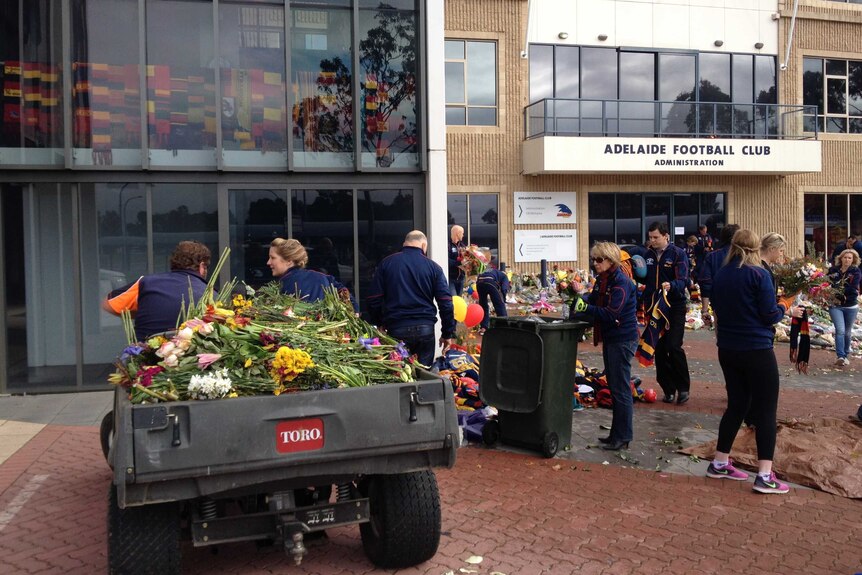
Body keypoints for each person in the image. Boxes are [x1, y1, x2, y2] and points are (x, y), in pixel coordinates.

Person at [707, 229, 802, 494]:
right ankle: (764, 475)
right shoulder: (758, 274)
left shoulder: (722, 274)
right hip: (756, 348)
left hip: (727, 347)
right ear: (755, 249)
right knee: (766, 410)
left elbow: (718, 307)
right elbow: (769, 315)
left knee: (737, 405)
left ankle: (720, 461)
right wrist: (786, 306)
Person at [571, 242, 638, 451]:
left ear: (611, 260)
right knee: (615, 386)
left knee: (620, 389)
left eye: (599, 260)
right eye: (593, 259)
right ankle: (615, 434)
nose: (595, 263)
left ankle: (623, 436)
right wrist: (576, 302)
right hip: (612, 338)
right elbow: (592, 301)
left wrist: (587, 307)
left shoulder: (621, 282)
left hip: (622, 339)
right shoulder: (603, 280)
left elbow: (611, 313)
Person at [367, 230, 456, 366]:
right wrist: (447, 333)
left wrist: (379, 322)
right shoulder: (434, 268)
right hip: (425, 329)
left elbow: (374, 298)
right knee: (424, 376)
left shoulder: (387, 263)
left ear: (404, 244)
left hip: (396, 329)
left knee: (400, 375)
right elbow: (446, 303)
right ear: (424, 245)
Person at [103, 240, 211, 341]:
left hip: (143, 356)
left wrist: (142, 311)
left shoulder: (145, 283)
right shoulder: (212, 295)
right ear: (201, 266)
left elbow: (108, 304)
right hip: (189, 358)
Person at [641, 222, 691, 405]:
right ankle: (668, 389)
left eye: (656, 237)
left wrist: (673, 285)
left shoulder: (678, 254)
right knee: (659, 349)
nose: (652, 241)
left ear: (666, 236)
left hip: (674, 306)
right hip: (654, 308)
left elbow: (684, 280)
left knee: (673, 345)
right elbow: (643, 277)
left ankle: (683, 388)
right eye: (651, 237)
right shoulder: (647, 255)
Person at [268, 238, 356, 310]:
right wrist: (354, 311)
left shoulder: (282, 286)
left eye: (273, 258)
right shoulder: (322, 277)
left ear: (289, 260)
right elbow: (346, 295)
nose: (268, 262)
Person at [698, 224, 740, 328]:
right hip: (742, 305)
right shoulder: (745, 257)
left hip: (719, 305)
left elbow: (705, 283)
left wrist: (705, 310)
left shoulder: (712, 256)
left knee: (723, 338)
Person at [827, 248, 861, 367]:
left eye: (849, 258)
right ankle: (840, 356)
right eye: (845, 257)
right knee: (840, 330)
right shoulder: (833, 270)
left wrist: (836, 290)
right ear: (841, 258)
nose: (847, 260)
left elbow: (853, 288)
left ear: (853, 260)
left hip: (851, 306)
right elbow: (826, 283)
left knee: (847, 332)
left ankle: (846, 355)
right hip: (835, 305)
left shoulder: (856, 272)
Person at [476, 258, 510, 334]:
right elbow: (504, 289)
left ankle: (483, 328)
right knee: (499, 305)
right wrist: (503, 299)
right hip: (490, 282)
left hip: (479, 283)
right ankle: (504, 327)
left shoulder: (491, 271)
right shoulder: (504, 276)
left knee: (483, 305)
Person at [448, 225, 466, 296]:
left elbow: (466, 259)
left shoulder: (463, 246)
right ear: (457, 233)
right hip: (451, 279)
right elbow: (446, 261)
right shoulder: (448, 245)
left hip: (461, 279)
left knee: (460, 301)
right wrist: (458, 263)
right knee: (454, 300)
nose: (463, 235)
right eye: (462, 233)